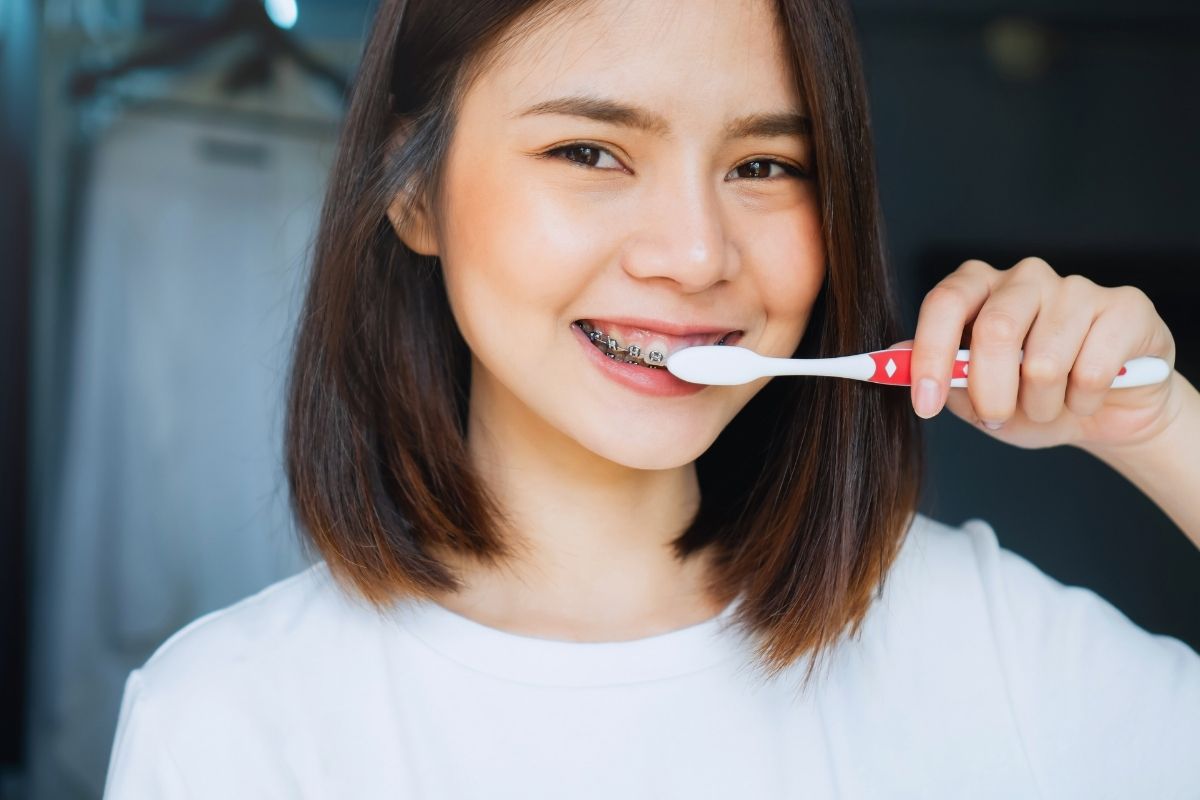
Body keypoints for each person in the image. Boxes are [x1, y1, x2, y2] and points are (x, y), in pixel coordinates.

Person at [102, 0, 1200, 796]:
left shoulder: (987, 641)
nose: (693, 251)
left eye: (766, 166)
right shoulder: (228, 720)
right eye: (590, 149)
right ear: (411, 190)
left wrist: (1164, 430)